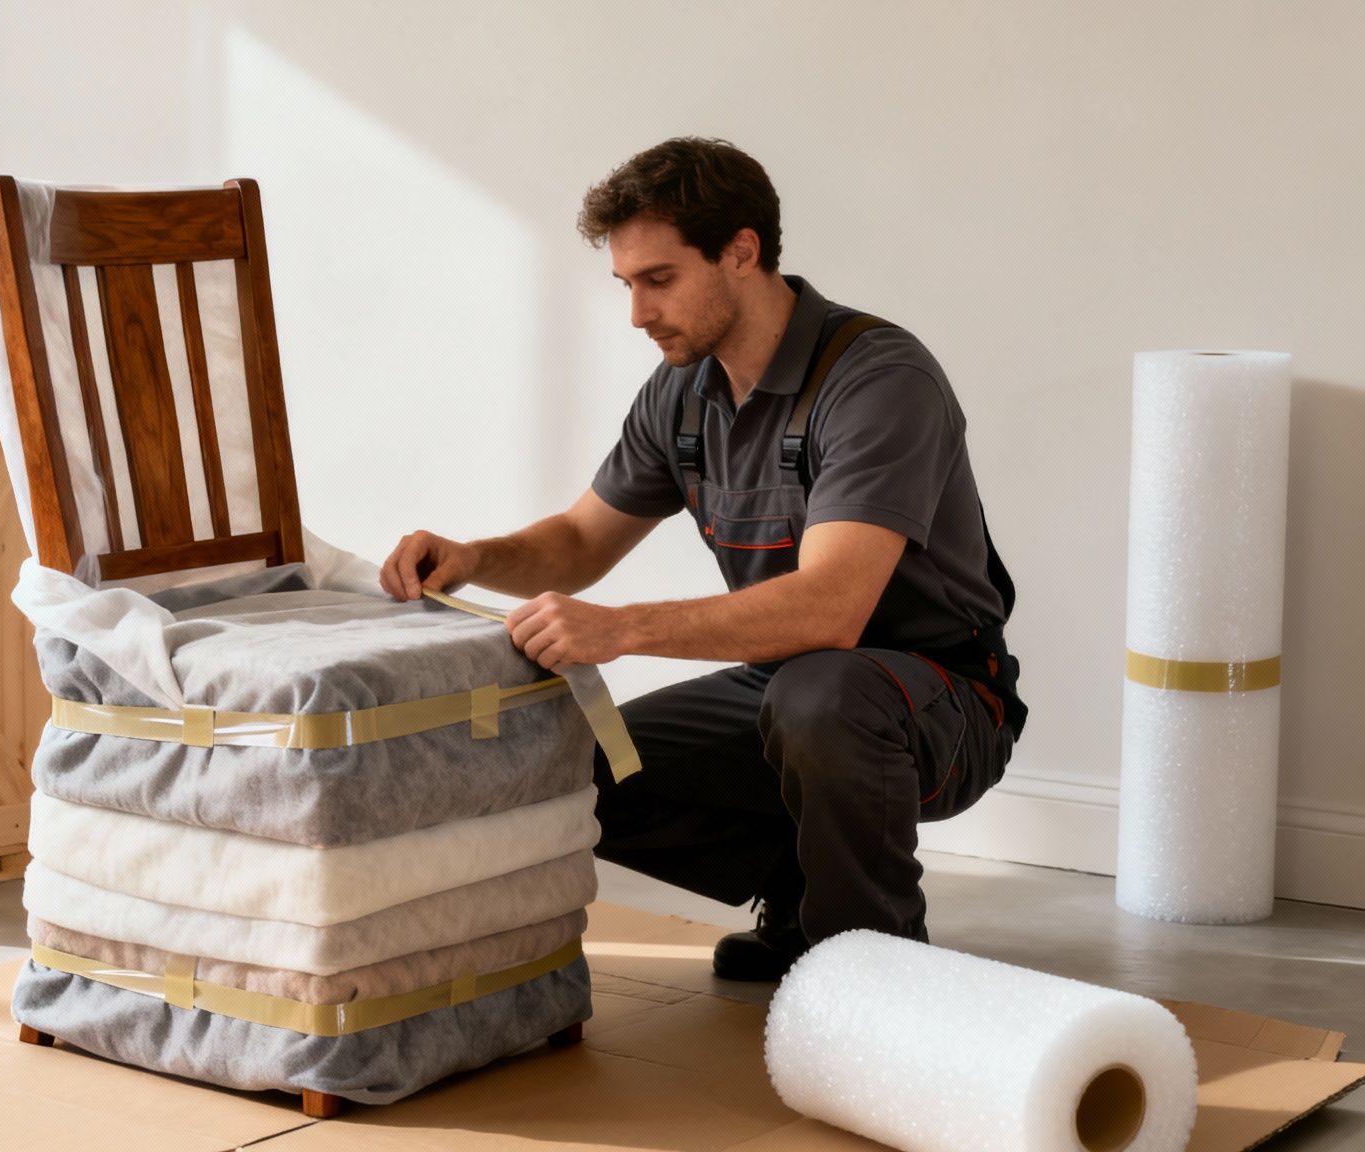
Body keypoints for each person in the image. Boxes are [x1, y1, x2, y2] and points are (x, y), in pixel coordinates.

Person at [378, 137, 1025, 981]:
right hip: (786, 689)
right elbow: (578, 543)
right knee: (571, 769)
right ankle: (801, 895)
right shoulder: (684, 393)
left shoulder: (877, 379)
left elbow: (832, 610)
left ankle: (879, 969)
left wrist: (621, 631)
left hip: (940, 700)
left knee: (819, 693)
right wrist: (471, 556)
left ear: (742, 252)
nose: (638, 313)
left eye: (659, 279)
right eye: (626, 285)